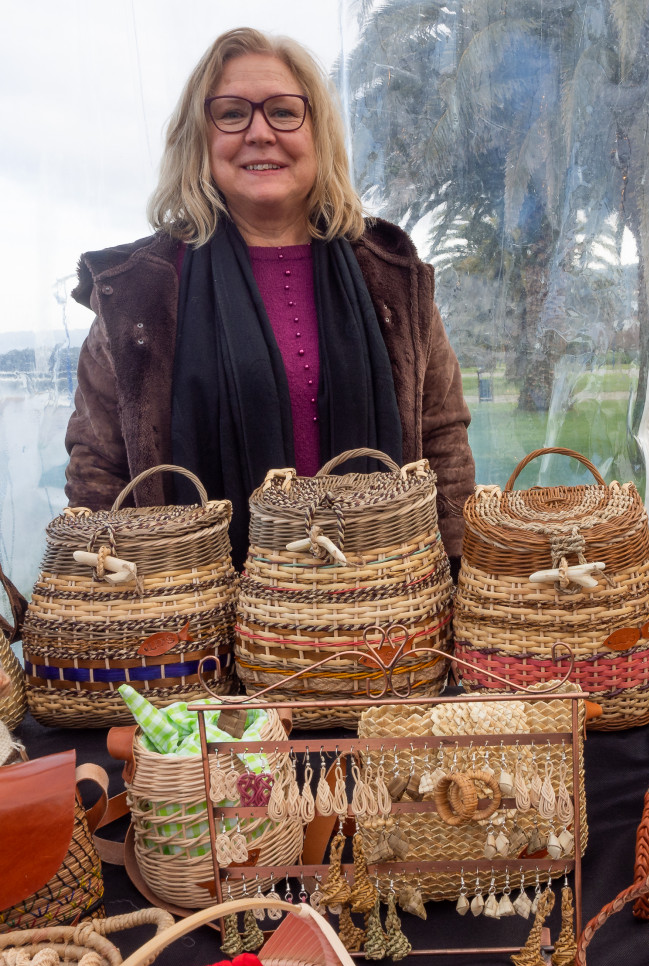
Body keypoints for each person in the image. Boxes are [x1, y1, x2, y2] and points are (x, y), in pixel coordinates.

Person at [66, 27, 475, 567]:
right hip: (203, 625)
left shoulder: (391, 277)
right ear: (199, 137)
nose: (260, 132)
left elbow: (442, 442)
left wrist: (458, 580)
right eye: (232, 113)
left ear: (318, 133)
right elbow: (99, 470)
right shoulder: (137, 294)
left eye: (284, 112)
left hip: (382, 619)